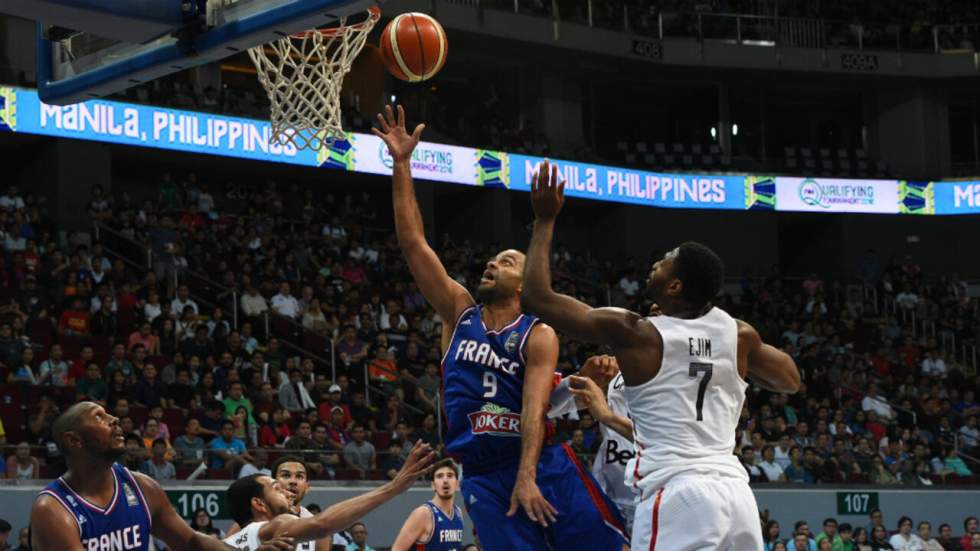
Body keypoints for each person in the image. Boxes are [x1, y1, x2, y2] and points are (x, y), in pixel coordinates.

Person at [376, 104, 627, 551]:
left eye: (507, 262)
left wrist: (528, 477)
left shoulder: (538, 333)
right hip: (484, 475)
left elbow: (534, 409)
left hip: (544, 464)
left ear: (523, 281)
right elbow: (413, 242)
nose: (492, 263)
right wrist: (401, 164)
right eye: (492, 260)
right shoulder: (459, 312)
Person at [520, 160, 800, 549]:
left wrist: (545, 220)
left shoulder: (636, 333)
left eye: (665, 260)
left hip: (678, 492)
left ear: (675, 286)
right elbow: (790, 380)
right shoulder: (738, 333)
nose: (656, 262)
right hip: (737, 496)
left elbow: (536, 297)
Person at [30, 401, 293, 551]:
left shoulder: (141, 487)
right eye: (99, 417)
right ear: (74, 440)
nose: (114, 419)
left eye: (110, 413)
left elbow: (190, 540)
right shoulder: (53, 510)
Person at [223, 441, 434, 551]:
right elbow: (323, 524)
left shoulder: (231, 541)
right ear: (259, 503)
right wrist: (393, 487)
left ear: (308, 486)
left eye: (299, 476)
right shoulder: (273, 525)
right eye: (277, 485)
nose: (289, 484)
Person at [391, 458, 464, 551]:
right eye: (440, 476)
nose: (445, 480)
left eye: (450, 476)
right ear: (433, 485)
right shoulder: (424, 513)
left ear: (457, 484)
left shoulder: (458, 512)